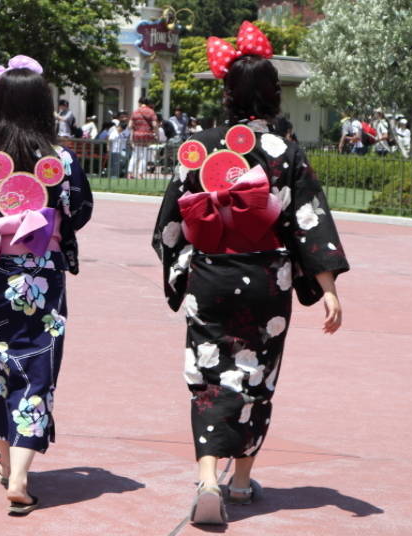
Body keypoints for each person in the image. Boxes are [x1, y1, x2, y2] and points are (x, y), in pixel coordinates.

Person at [152, 21, 349, 526]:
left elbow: (171, 224)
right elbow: (309, 221)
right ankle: (240, 484)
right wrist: (326, 287)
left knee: (209, 374)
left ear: (227, 94)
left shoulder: (198, 147)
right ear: (271, 94)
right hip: (267, 279)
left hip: (211, 276)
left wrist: (181, 273)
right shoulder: (285, 151)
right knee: (256, 374)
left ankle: (207, 479)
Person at [0, 56, 92, 515]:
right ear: (44, 105)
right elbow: (80, 211)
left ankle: (4, 457)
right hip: (40, 276)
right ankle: (18, 474)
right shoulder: (62, 160)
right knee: (36, 369)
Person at [127, 96, 157, 179]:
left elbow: (129, 125)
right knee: (144, 155)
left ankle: (130, 173)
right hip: (147, 135)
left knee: (135, 155)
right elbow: (154, 125)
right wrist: (155, 133)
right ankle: (140, 174)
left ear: (140, 103)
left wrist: (136, 128)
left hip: (136, 135)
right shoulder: (151, 112)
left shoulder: (135, 112)